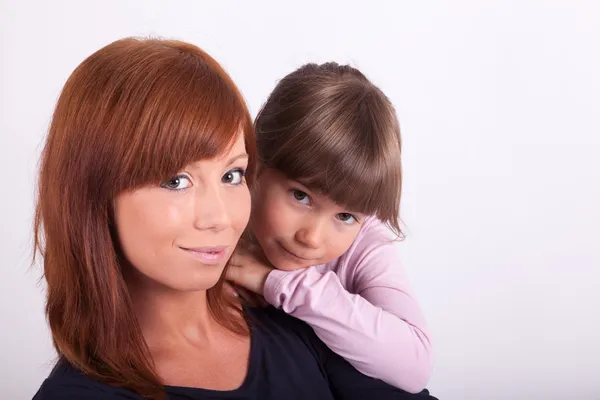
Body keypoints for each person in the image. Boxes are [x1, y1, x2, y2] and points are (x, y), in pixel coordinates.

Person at [32, 38, 438, 399]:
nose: (221, 217)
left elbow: (410, 364)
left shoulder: (300, 314)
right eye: (176, 180)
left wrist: (278, 284)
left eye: (231, 175)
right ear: (91, 192)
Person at [226, 62, 433, 393]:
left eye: (345, 216)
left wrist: (278, 282)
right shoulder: (221, 214)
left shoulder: (366, 242)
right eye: (301, 196)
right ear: (257, 163)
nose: (311, 237)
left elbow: (414, 366)